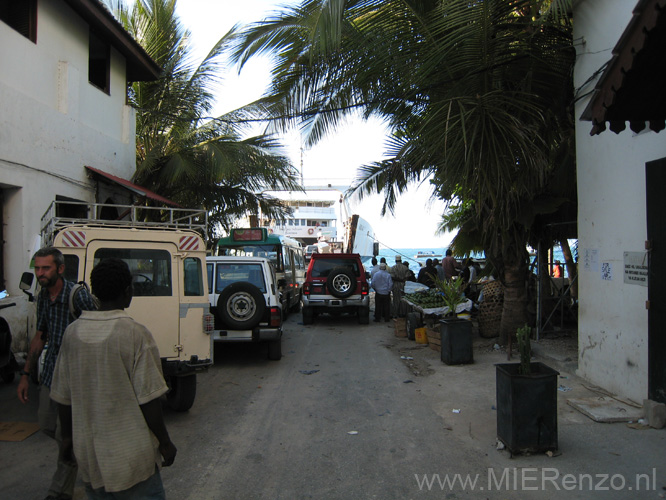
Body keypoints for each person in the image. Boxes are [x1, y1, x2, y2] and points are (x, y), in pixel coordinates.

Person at [50, 258, 177, 499]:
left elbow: (63, 399)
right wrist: (165, 441)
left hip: (91, 457)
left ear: (95, 292)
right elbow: (149, 400)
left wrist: (67, 440)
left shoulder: (73, 333)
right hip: (131, 457)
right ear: (128, 291)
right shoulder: (135, 333)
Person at [17, 247, 96, 500]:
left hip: (76, 380)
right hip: (51, 375)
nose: (40, 273)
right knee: (47, 425)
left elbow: (98, 331)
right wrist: (26, 375)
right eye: (37, 268)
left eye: (45, 268)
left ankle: (58, 492)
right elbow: (40, 336)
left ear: (60, 269)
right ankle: (82, 457)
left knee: (65, 438)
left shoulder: (78, 296)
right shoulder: (42, 297)